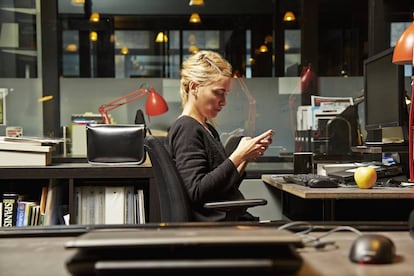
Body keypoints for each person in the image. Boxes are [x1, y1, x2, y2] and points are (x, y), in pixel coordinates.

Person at [167, 50, 274, 221]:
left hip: (229, 219)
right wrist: (238, 155)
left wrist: (244, 158)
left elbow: (222, 189)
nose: (223, 101)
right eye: (218, 92)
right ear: (194, 87)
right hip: (217, 225)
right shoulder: (187, 129)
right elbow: (196, 192)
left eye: (225, 94)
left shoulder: (206, 128)